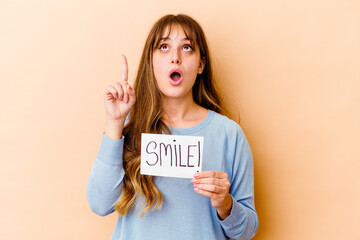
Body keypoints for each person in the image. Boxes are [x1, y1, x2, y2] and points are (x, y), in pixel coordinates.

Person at [86, 14, 258, 240]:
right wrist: (115, 122)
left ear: (201, 64)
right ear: (151, 61)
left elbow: (247, 232)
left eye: (186, 48)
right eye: (164, 47)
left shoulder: (229, 134)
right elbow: (100, 204)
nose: (175, 57)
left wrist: (225, 204)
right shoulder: (129, 127)